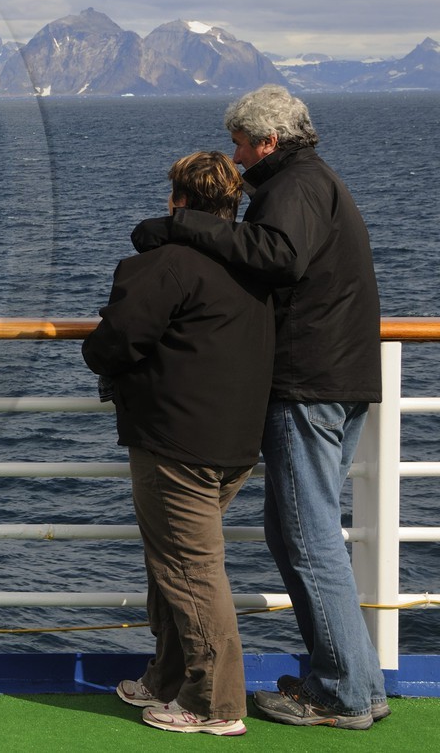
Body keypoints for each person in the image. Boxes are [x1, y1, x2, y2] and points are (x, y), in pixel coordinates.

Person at [131, 85, 388, 729]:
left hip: (310, 384)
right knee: (300, 533)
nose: (236, 157)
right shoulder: (312, 182)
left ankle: (347, 691)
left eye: (242, 143)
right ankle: (352, 680)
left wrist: (186, 225)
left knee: (306, 539)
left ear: (268, 140)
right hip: (342, 378)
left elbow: (279, 255)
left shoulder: (295, 186)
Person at [84, 151, 275, 736]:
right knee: (175, 565)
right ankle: (167, 677)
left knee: (191, 572)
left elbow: (113, 342)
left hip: (176, 443)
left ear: (179, 201)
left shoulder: (167, 264)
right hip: (236, 442)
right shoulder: (256, 267)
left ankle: (215, 704)